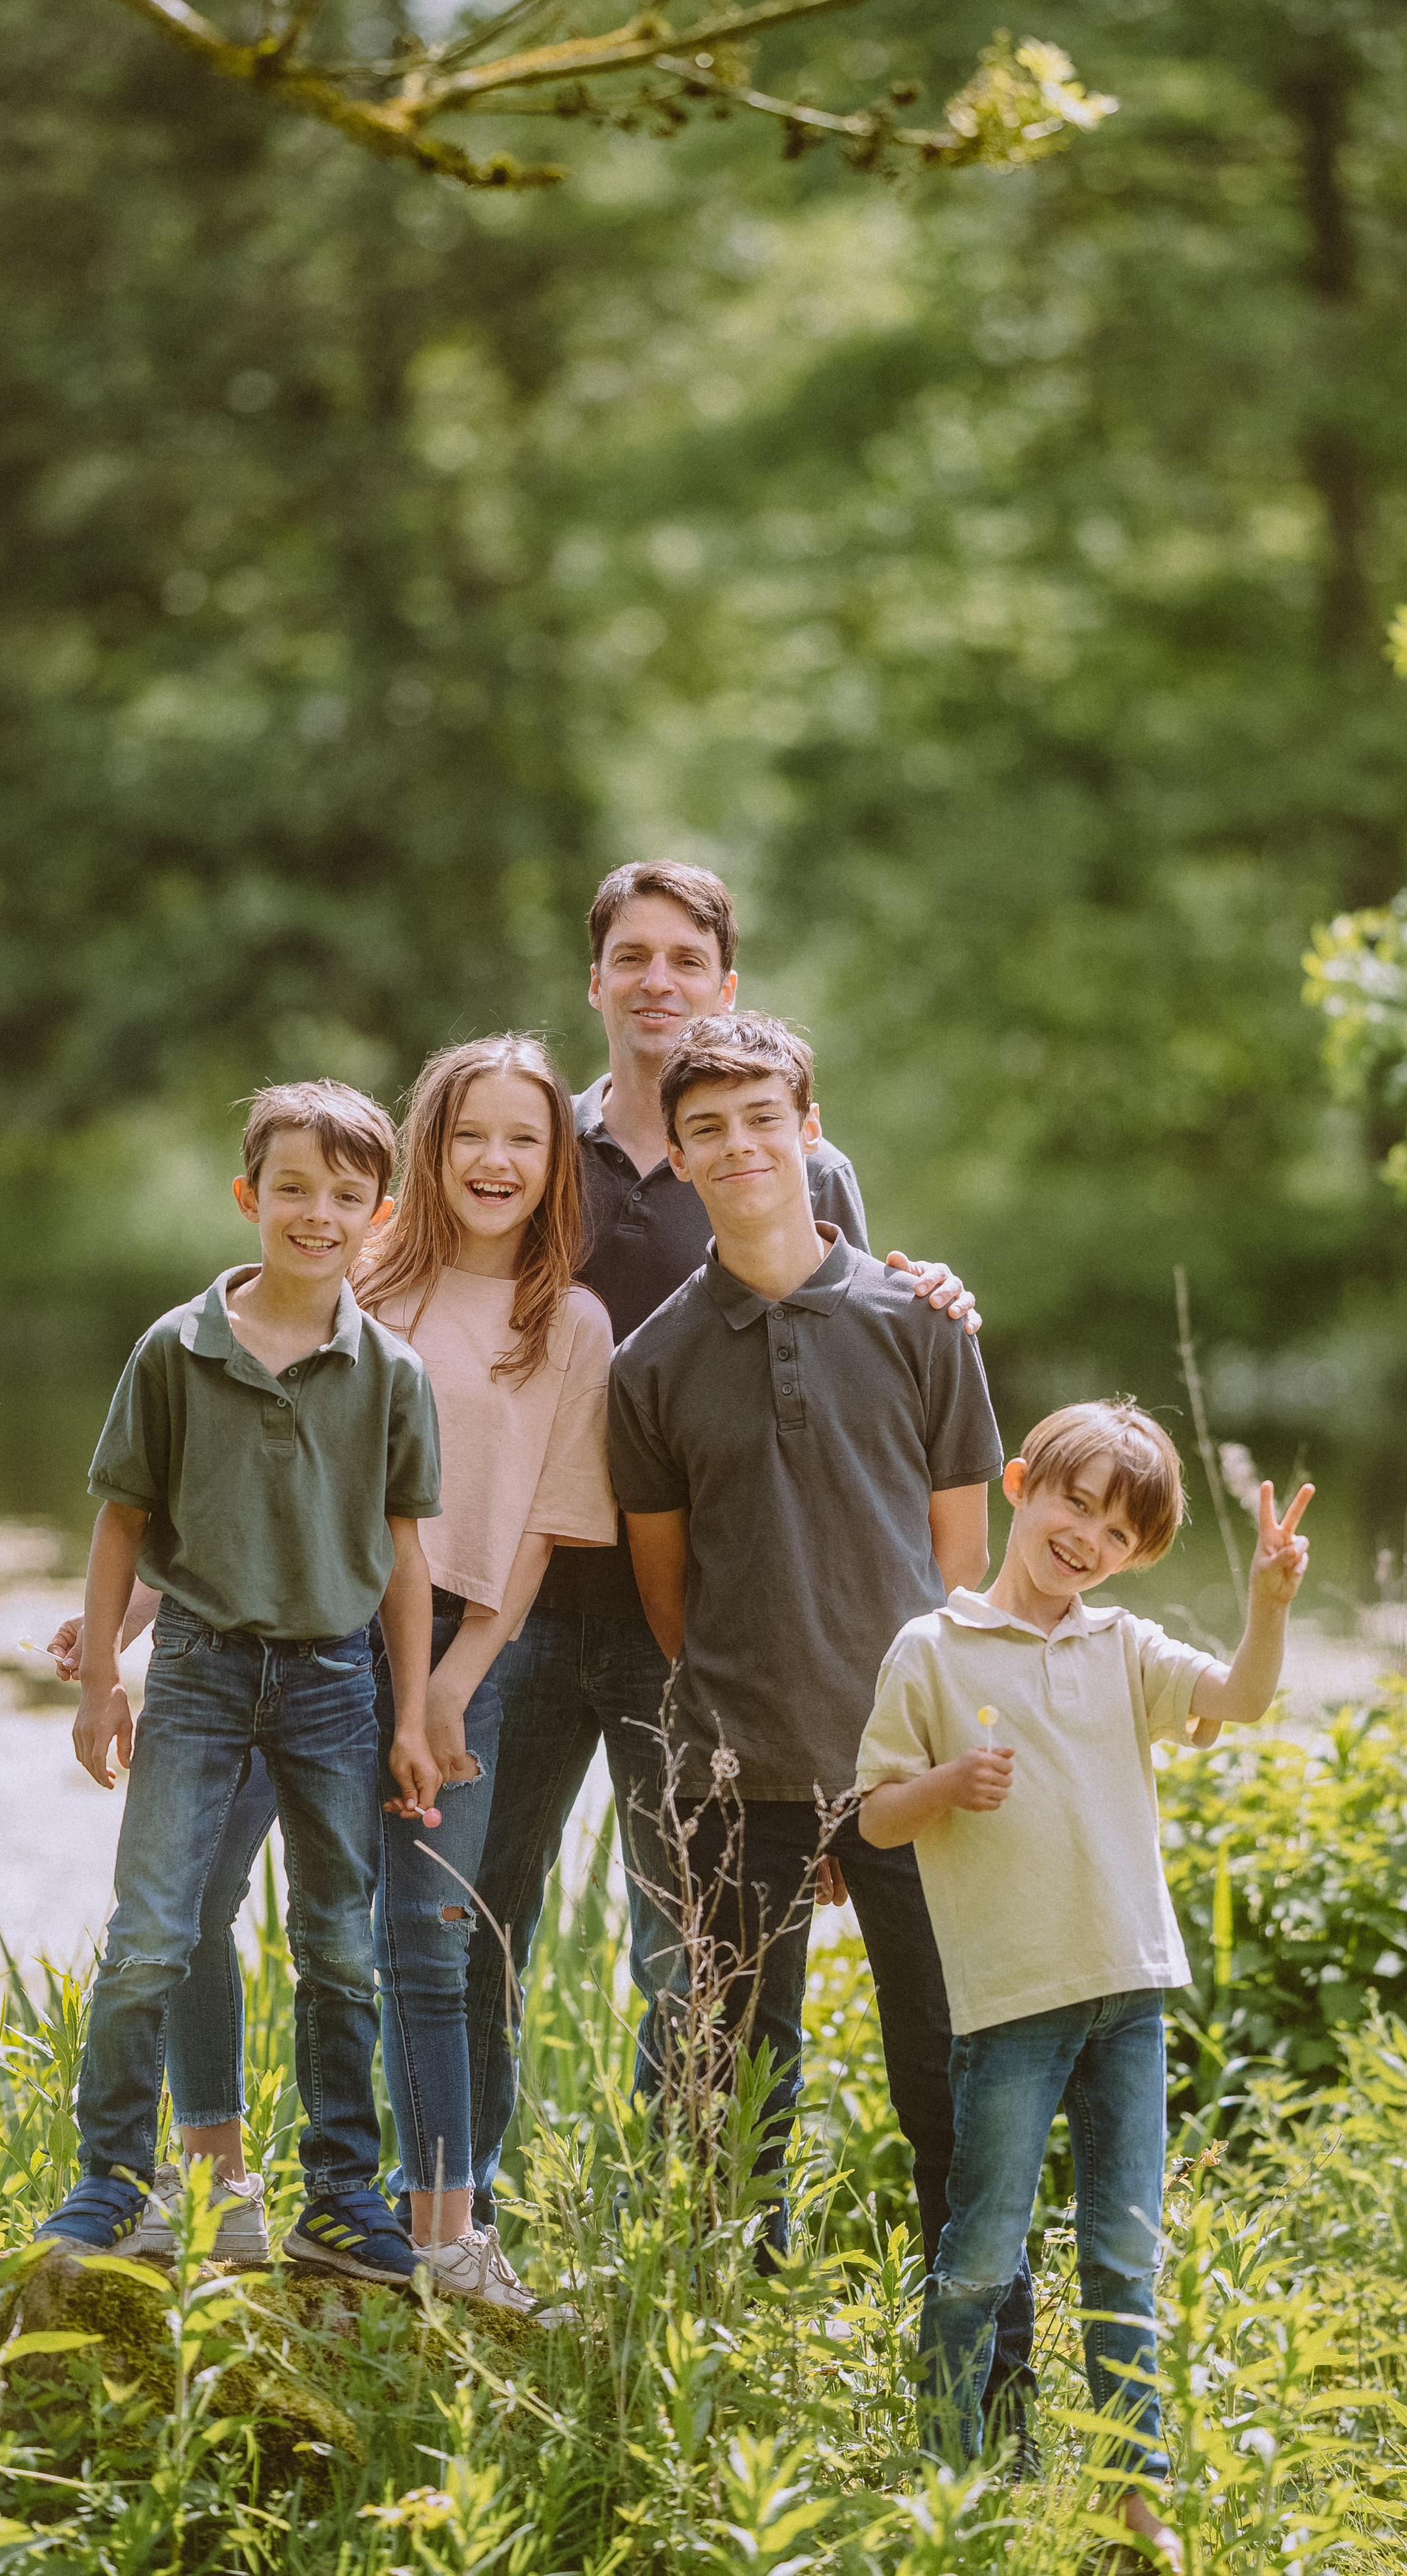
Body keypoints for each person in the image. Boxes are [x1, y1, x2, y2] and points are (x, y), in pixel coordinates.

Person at [461, 860, 981, 2239]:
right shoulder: (531, 1144)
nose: (656, 981)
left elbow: (849, 1325)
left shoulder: (795, 1156)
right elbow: (427, 1304)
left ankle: (685, 2240)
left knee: (689, 1956)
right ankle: (462, 2218)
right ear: (594, 982)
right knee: (475, 1917)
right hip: (508, 1599)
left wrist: (938, 1287)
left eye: (685, 959)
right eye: (629, 957)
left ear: (724, 982)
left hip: (696, 1622)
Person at [605, 1010, 1031, 2418]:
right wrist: (772, 1737)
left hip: (913, 1769)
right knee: (732, 2107)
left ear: (808, 1127)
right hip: (735, 1784)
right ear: (678, 1148)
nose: (737, 1148)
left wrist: (887, 1757)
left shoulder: (921, 1327)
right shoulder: (651, 1365)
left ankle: (982, 2401)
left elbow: (957, 1569)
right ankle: (727, 2391)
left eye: (761, 1119)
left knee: (947, 2094)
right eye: (706, 1127)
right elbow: (672, 1602)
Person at [856, 1401, 1311, 2564]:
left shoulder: (1125, 1648)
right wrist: (951, 1780)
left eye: (1116, 1530)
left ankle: (1132, 2505)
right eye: (1074, 1502)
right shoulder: (933, 1649)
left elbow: (1242, 1699)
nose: (1086, 1537)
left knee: (1121, 2253)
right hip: (1009, 2003)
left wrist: (1267, 1606)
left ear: (1135, 1554)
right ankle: (950, 2483)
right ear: (1019, 1485)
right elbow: (875, 1814)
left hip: (1130, 1987)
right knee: (978, 2251)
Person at [36, 1080, 442, 2290]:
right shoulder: (177, 1347)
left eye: (346, 1193)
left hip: (335, 1684)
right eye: (294, 1188)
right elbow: (122, 1522)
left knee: (338, 1944)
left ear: (381, 1211)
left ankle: (341, 2189)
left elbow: (408, 1557)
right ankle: (113, 2175)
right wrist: (101, 1677)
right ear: (248, 1196)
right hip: (200, 1673)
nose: (318, 1212)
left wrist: (413, 1712)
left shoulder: (393, 1372)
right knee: (154, 1931)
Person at [348, 1035, 616, 2315]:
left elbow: (546, 1522)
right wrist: (127, 1620)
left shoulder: (569, 1322)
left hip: (470, 1642)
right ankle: (324, 2201)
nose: (495, 1160)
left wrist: (456, 1674)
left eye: (525, 1138)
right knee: (314, 1926)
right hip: (320, 1626)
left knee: (432, 1932)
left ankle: (445, 2227)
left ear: (557, 1159)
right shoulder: (363, 1281)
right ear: (430, 1148)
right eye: (471, 1137)